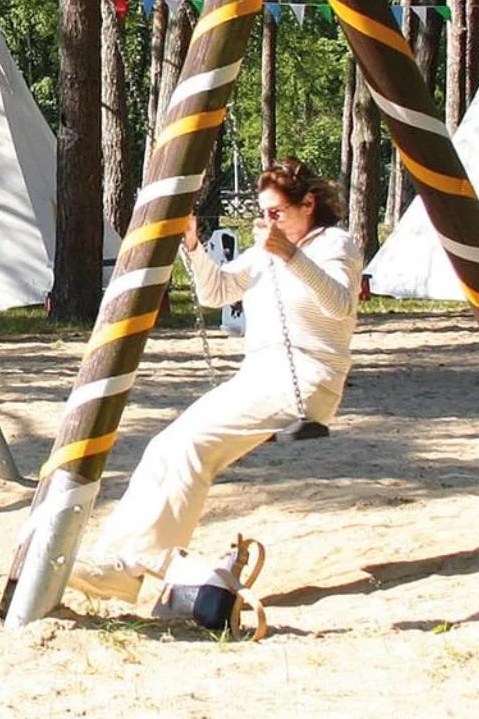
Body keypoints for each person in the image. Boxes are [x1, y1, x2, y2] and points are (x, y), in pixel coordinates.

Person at [69, 158, 363, 604]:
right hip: (259, 376)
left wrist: (292, 255)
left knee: (191, 447)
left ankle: (134, 567)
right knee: (165, 445)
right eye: (262, 213)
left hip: (304, 379)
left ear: (309, 205)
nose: (267, 222)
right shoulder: (269, 248)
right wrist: (193, 245)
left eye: (276, 212)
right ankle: (115, 561)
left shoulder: (334, 245)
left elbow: (341, 304)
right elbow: (217, 292)